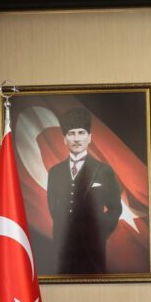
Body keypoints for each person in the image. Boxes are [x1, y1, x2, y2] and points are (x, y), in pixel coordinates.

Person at [47, 107, 122, 275]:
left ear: (89, 138)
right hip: (62, 250)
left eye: (81, 133)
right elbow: (53, 207)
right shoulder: (55, 172)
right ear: (64, 139)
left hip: (93, 251)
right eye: (71, 133)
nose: (76, 138)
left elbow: (115, 208)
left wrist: (99, 232)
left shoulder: (104, 170)